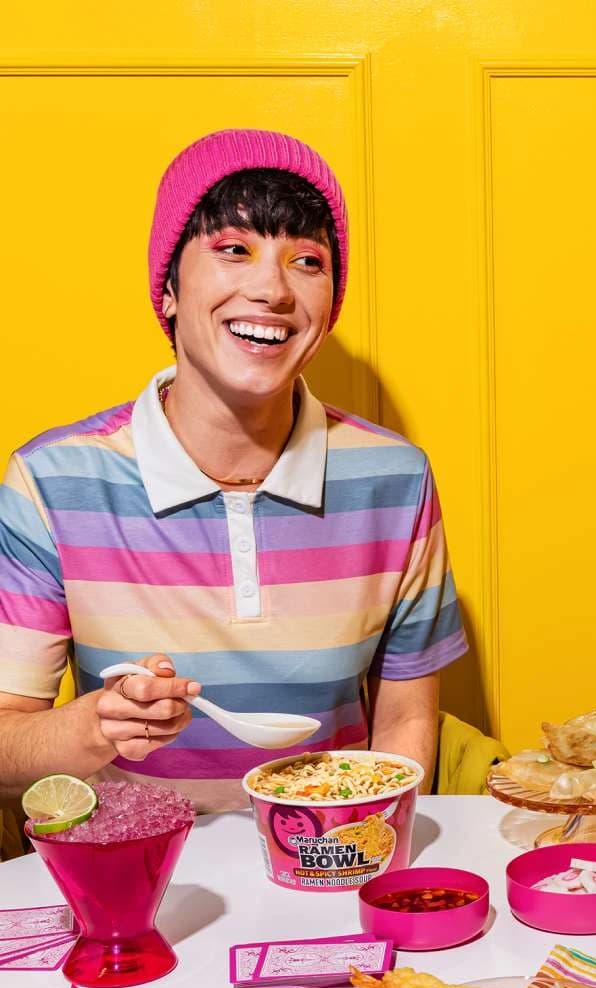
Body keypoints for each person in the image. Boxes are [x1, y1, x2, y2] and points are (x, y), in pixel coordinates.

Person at [0, 129, 467, 826]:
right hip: (138, 884)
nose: (272, 288)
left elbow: (404, 715)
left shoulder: (395, 478)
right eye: (233, 250)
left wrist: (363, 846)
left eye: (306, 260)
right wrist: (97, 726)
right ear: (168, 290)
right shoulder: (53, 479)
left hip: (332, 863)